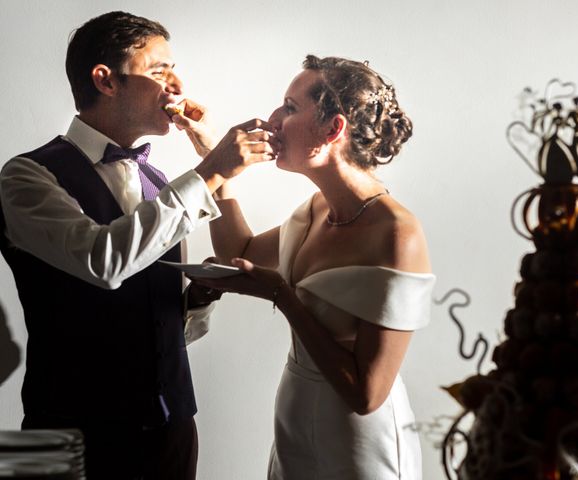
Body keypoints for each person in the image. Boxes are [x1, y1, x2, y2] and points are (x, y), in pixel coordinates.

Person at [0, 11, 273, 480]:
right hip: (61, 432)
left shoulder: (159, 182)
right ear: (106, 80)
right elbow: (102, 261)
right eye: (159, 70)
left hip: (171, 427)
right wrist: (212, 170)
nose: (177, 84)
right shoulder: (24, 176)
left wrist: (197, 299)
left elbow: (164, 329)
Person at [193, 55, 435, 479]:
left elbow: (366, 394)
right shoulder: (317, 208)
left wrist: (282, 297)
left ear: (333, 128)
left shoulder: (398, 233)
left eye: (289, 107)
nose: (271, 120)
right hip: (295, 423)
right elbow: (239, 248)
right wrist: (216, 167)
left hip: (358, 444)